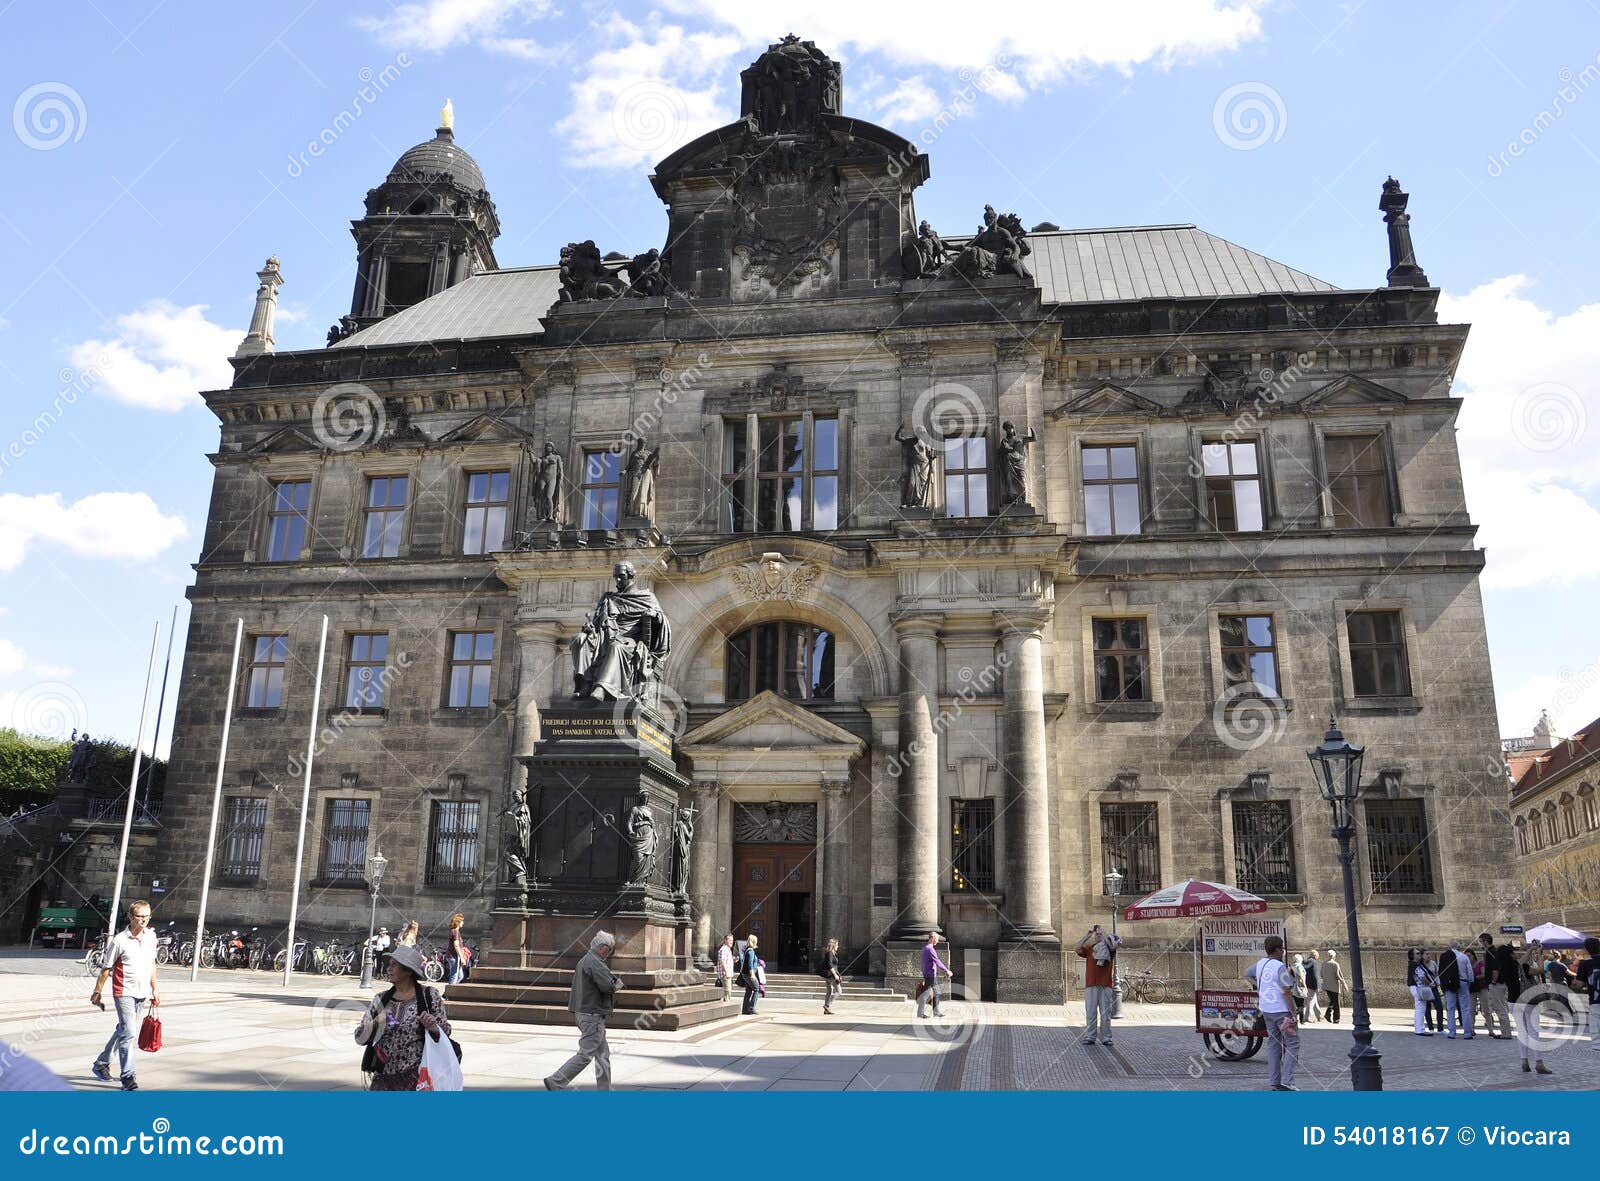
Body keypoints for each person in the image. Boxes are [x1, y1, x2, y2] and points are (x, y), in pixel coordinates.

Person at [355, 944, 451, 1091]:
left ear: (408, 971)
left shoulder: (429, 995)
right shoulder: (380, 999)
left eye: (394, 965)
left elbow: (446, 1032)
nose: (388, 969)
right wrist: (376, 1022)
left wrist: (433, 1027)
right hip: (383, 1078)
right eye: (389, 965)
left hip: (417, 1078)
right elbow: (359, 1037)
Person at [90, 900, 159, 1091]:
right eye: (139, 916)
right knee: (129, 1033)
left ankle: (101, 1063)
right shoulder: (119, 940)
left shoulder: (151, 937)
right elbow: (106, 968)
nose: (143, 920)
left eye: (147, 916)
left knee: (124, 1029)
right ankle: (128, 1077)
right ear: (130, 916)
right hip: (124, 991)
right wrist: (97, 991)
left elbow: (152, 963)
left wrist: (155, 989)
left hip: (142, 991)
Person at [544, 931, 621, 1090]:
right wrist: (617, 985)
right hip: (592, 1015)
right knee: (585, 1055)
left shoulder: (585, 960)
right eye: (609, 950)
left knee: (602, 1056)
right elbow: (607, 986)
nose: (609, 954)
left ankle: (605, 1090)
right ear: (603, 948)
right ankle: (555, 1081)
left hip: (584, 1013)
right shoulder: (595, 963)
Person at [1245, 935, 1299, 1091]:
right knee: (1292, 1044)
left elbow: (1246, 973)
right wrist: (1294, 1013)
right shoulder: (1280, 967)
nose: (1283, 951)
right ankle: (1287, 1081)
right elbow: (1286, 991)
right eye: (1282, 948)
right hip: (1282, 1011)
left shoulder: (1260, 963)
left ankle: (1275, 1082)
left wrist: (1260, 985)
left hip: (1267, 1010)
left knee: (1274, 1045)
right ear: (1277, 950)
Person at [1076, 924, 1120, 1046]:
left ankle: (1106, 1037)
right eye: (1097, 934)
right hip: (1091, 984)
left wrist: (1105, 935)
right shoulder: (1090, 948)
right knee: (1090, 1013)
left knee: (1105, 1014)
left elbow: (1113, 946)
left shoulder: (1109, 948)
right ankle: (1090, 1036)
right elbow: (1077, 948)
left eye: (1101, 934)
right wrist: (1087, 935)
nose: (1098, 935)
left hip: (1105, 985)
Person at [1478, 933, 1517, 1040]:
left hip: (1497, 984)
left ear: (1485, 941)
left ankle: (1506, 1033)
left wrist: (1493, 981)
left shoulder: (1490, 952)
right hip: (1502, 983)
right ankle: (1506, 1032)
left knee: (1499, 1008)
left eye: (1481, 941)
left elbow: (1495, 968)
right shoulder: (1495, 951)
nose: (1480, 944)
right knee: (1501, 1007)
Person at [1439, 939, 1475, 1039]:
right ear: (1458, 947)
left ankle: (1452, 1032)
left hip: (1449, 984)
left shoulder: (1444, 956)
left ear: (1449, 947)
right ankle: (1467, 1033)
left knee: (1450, 1008)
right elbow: (1469, 971)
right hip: (1463, 982)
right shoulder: (1463, 956)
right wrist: (1470, 982)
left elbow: (1441, 971)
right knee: (1465, 1008)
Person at [916, 932, 951, 1019]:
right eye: (937, 939)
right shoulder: (930, 949)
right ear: (932, 938)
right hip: (930, 975)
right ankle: (933, 1012)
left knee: (929, 993)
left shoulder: (925, 948)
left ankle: (924, 1013)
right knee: (932, 993)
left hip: (928, 974)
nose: (937, 941)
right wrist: (946, 970)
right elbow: (937, 961)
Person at [1574, 936, 1600, 1050]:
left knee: (1596, 1022)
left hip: (1595, 999)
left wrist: (1575, 982)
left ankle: (1597, 1046)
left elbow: (1579, 984)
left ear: (1587, 949)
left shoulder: (1584, 964)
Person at [1408, 948, 1435, 1036]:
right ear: (1413, 956)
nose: (1420, 954)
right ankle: (1420, 1029)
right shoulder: (1415, 965)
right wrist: (1430, 984)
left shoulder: (1414, 964)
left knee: (1419, 1008)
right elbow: (1422, 977)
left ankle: (1418, 1028)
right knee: (1421, 1009)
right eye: (1417, 953)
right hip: (1418, 988)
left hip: (1415, 987)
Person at [819, 938, 843, 1015]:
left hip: (830, 975)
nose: (838, 946)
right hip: (831, 975)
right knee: (839, 991)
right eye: (837, 945)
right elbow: (830, 965)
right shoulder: (830, 953)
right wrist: (835, 975)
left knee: (829, 991)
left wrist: (838, 974)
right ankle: (827, 1005)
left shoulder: (832, 953)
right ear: (834, 945)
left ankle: (826, 1010)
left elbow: (835, 966)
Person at [445, 913, 471, 985]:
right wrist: (462, 957)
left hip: (454, 956)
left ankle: (451, 990)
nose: (463, 923)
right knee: (454, 976)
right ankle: (450, 991)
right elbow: (456, 945)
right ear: (458, 922)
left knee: (460, 976)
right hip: (454, 956)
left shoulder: (454, 931)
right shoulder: (455, 932)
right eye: (462, 921)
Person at [739, 934, 761, 1015]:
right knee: (756, 988)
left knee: (748, 991)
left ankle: (745, 1009)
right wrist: (752, 975)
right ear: (754, 942)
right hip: (749, 974)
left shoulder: (747, 950)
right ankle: (752, 1008)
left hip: (745, 974)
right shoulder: (751, 951)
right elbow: (750, 964)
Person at [1423, 952, 1445, 1032]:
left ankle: (1440, 1028)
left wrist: (1438, 983)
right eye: (1426, 954)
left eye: (1429, 954)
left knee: (1439, 1007)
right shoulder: (1420, 965)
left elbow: (1437, 974)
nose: (1428, 956)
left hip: (1434, 988)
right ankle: (1430, 1028)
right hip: (1425, 988)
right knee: (1427, 1009)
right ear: (1422, 956)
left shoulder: (1433, 963)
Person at [1322, 949, 1345, 1023]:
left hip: (1326, 985)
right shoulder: (1335, 964)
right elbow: (1338, 975)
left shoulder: (1324, 964)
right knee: (1336, 1002)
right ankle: (1335, 1017)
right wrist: (1343, 983)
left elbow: (1321, 974)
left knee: (1332, 1001)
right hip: (1334, 986)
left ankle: (1329, 1014)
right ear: (1334, 956)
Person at [716, 934, 736, 1003]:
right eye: (730, 940)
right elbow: (723, 961)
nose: (731, 942)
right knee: (727, 991)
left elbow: (726, 960)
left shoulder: (728, 949)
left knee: (727, 992)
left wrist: (733, 960)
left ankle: (726, 1003)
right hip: (725, 975)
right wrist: (726, 972)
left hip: (727, 974)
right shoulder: (724, 949)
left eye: (732, 940)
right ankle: (726, 1004)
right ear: (725, 940)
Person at [1304, 951, 1323, 1023]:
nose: (1318, 957)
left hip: (1307, 984)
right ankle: (1307, 1017)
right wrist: (1317, 986)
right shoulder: (1314, 962)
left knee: (1314, 1000)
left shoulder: (1305, 962)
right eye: (1318, 956)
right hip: (1312, 985)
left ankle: (1319, 1015)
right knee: (1311, 1001)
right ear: (1315, 955)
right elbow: (1315, 975)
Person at [1289, 954, 1309, 1022]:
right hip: (1299, 986)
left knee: (1297, 1004)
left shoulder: (1292, 966)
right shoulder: (1299, 966)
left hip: (1293, 986)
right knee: (1301, 1004)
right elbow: (1301, 977)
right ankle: (1300, 1019)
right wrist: (1305, 986)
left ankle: (1296, 1017)